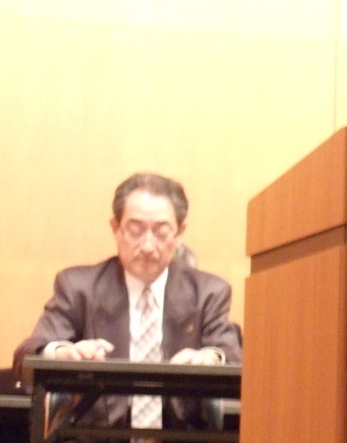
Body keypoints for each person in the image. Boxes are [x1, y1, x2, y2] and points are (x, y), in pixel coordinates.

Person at [13, 172, 242, 433]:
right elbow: (27, 354)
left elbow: (233, 357)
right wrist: (60, 353)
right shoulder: (78, 288)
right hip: (94, 436)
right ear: (116, 228)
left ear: (180, 233)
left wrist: (209, 358)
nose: (147, 246)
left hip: (180, 435)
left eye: (161, 232)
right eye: (135, 231)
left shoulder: (208, 293)